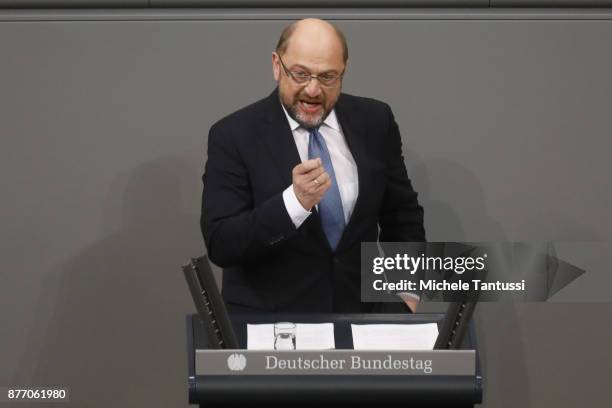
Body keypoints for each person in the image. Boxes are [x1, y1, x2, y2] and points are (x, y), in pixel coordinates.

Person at [201, 18, 425, 314]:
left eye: (328, 77)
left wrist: (407, 293)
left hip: (363, 321)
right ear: (276, 66)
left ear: (344, 71)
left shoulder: (375, 121)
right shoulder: (234, 135)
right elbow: (222, 243)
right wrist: (294, 203)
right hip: (272, 327)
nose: (313, 90)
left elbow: (402, 215)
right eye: (300, 74)